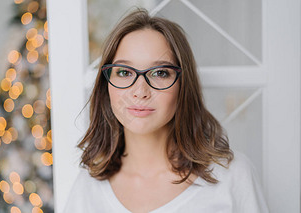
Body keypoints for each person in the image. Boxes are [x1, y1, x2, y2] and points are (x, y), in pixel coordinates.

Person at [64, 8, 269, 213]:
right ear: (106, 86)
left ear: (183, 85)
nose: (140, 91)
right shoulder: (87, 187)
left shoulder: (232, 177)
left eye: (160, 73)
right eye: (125, 72)